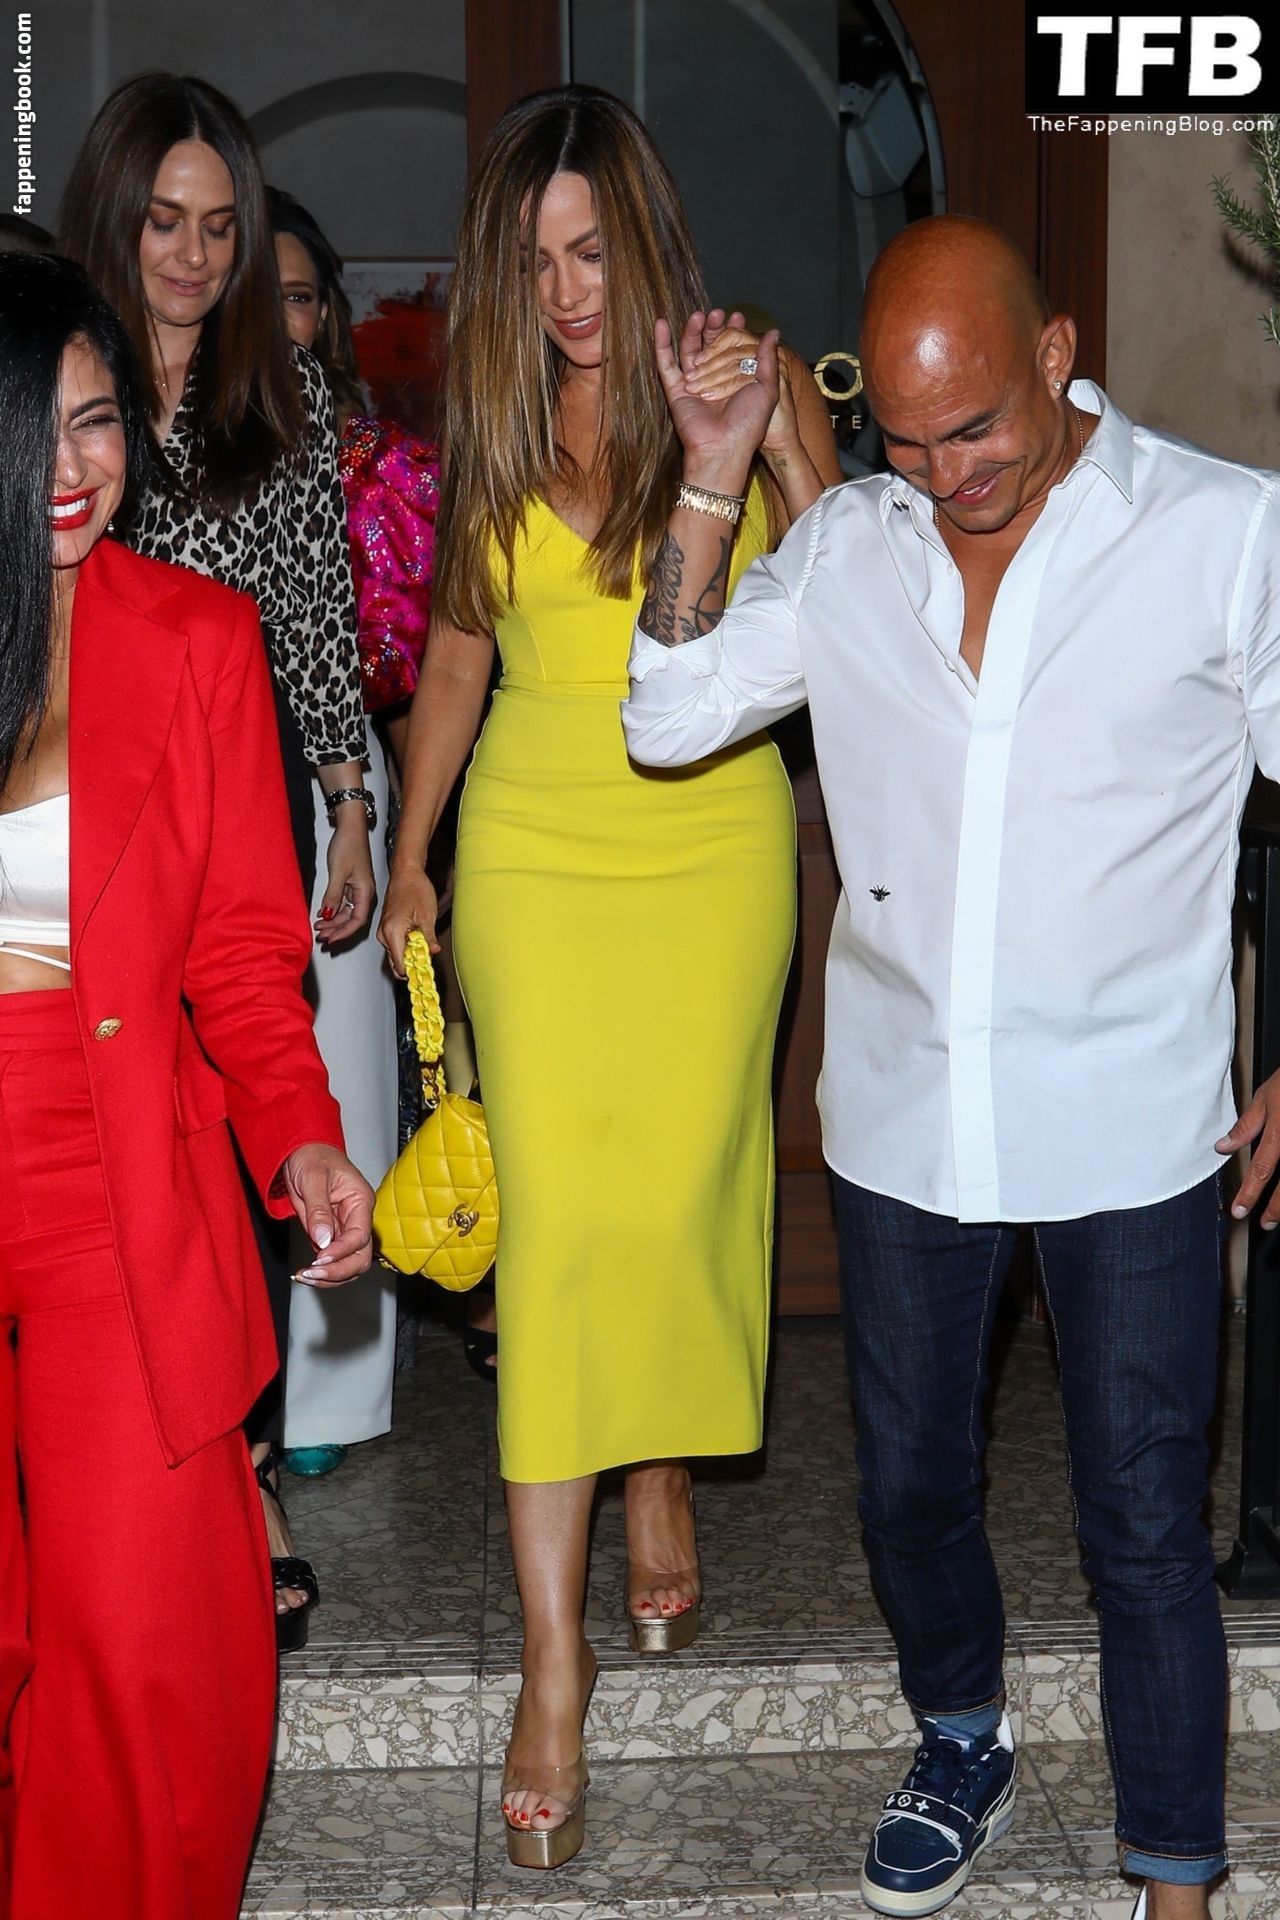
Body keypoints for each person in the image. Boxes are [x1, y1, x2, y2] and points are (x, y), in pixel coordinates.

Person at [621, 212, 1280, 1920]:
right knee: (910, 1490)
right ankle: (960, 1735)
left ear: (1056, 356)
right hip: (904, 1118)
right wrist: (714, 471)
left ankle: (1178, 1877)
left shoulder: (1222, 533)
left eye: (974, 428)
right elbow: (666, 716)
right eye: (907, 442)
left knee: (1144, 1519)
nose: (945, 475)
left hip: (1133, 1121)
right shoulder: (851, 546)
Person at [379, 82, 840, 1871]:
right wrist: (413, 855)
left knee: (668, 1192)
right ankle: (551, 1663)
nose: (568, 294)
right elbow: (454, 659)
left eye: (590, 253)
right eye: (535, 263)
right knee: (564, 1230)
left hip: (710, 841)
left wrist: (778, 438)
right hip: (535, 846)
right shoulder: (494, 423)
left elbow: (851, 583)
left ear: (643, 239)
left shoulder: (742, 375)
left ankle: (659, 1465)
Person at [0, 251, 373, 1917]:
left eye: (97, 423)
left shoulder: (201, 639)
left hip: (114, 1192)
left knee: (138, 1640)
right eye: (34, 430)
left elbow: (238, 954)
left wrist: (303, 1142)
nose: (72, 468)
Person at [59, 72, 374, 1640]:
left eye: (219, 227)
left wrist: (351, 799)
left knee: (243, 1117)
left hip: (238, 797)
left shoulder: (280, 385)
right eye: (164, 222)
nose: (191, 255)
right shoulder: (62, 381)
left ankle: (242, 1472)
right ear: (116, 220)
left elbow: (315, 603)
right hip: (88, 812)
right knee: (120, 1133)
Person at [268, 184, 440, 1472]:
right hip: (207, 760)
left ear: (325, 310)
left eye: (296, 295)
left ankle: (330, 1398)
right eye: (255, 298)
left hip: (339, 772)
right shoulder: (163, 440)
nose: (277, 318)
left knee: (341, 1066)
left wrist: (377, 822)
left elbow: (417, 650)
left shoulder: (377, 460)